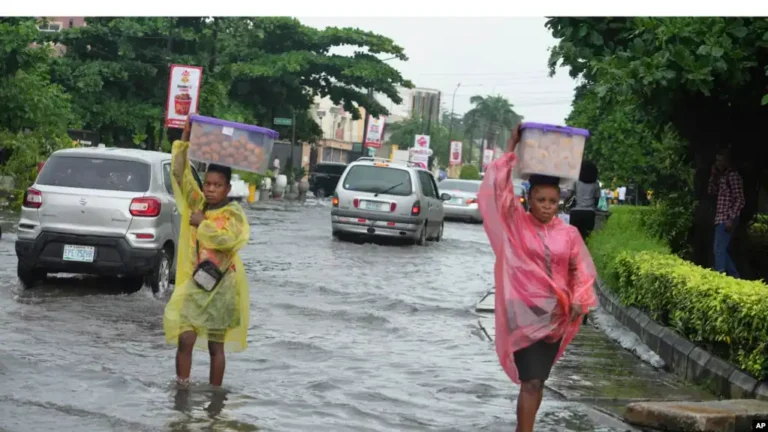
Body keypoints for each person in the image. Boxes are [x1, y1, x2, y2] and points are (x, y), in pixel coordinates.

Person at [478, 125, 597, 432]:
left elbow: (579, 270)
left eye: (553, 202)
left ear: (560, 203)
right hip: (523, 312)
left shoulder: (568, 234)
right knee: (530, 380)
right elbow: (497, 191)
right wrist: (512, 147)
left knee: (538, 379)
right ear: (529, 200)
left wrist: (580, 298)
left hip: (555, 315)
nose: (547, 207)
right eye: (541, 200)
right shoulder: (516, 224)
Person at [164, 119, 251, 387]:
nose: (211, 189)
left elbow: (230, 241)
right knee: (185, 337)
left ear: (227, 188)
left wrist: (202, 224)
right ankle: (182, 388)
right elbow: (179, 175)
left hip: (223, 286)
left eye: (217, 185)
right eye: (209, 184)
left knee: (216, 346)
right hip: (197, 283)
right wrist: (185, 139)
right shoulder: (198, 202)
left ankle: (215, 397)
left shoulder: (233, 213)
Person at [708, 148, 744, 278]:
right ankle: (735, 277)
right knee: (720, 249)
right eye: (716, 160)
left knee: (718, 249)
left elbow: (740, 199)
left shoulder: (733, 176)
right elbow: (712, 192)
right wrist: (714, 176)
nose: (718, 162)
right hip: (720, 217)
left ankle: (720, 277)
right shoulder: (722, 177)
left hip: (727, 218)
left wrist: (731, 218)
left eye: (720, 159)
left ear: (727, 160)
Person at [569, 161, 601, 240]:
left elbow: (569, 195)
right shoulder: (596, 183)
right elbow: (597, 199)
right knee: (587, 237)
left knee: (575, 237)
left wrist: (565, 204)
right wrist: (594, 207)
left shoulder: (576, 181)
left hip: (575, 212)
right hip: (590, 213)